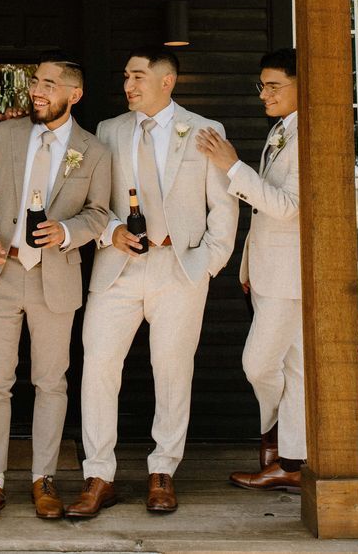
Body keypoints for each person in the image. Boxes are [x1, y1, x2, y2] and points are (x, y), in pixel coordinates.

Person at [66, 48, 238, 518]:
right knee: (98, 366)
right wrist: (108, 233)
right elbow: (92, 202)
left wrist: (204, 264)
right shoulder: (108, 131)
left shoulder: (206, 131)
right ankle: (98, 474)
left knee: (172, 369)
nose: (129, 85)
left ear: (168, 82)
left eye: (138, 76)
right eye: (126, 76)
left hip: (179, 269)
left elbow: (224, 210)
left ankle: (163, 469)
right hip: (117, 268)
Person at [0, 59, 110, 526]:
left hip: (55, 278)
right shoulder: (5, 136)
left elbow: (100, 214)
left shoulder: (94, 151)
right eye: (36, 81)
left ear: (75, 93)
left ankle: (43, 479)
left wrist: (67, 232)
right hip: (0, 273)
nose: (38, 90)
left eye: (49, 84)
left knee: (51, 382)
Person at [197, 47, 303, 492]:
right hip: (266, 269)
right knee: (296, 370)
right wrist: (245, 262)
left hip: (289, 277)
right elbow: (263, 212)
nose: (264, 94)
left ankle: (279, 443)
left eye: (274, 85)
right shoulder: (282, 131)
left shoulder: (308, 136)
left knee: (258, 364)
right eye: (262, 85)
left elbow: (287, 207)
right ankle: (294, 462)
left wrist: (231, 166)